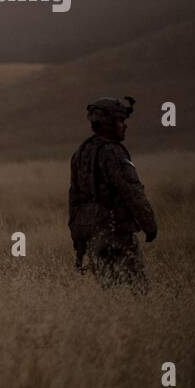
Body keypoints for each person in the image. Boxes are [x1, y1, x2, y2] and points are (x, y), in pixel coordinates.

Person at [68, 96, 158, 293]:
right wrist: (149, 225)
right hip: (116, 232)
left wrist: (77, 237)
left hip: (91, 235)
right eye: (120, 121)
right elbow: (132, 191)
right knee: (138, 292)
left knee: (111, 293)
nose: (124, 126)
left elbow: (74, 198)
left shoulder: (81, 152)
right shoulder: (113, 152)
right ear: (107, 123)